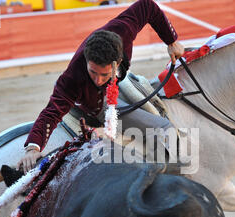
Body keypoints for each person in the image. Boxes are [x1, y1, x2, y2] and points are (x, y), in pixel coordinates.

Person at [17, 0, 184, 173]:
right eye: (93, 72)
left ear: (118, 62)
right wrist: (32, 148)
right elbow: (51, 111)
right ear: (87, 61)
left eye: (104, 74)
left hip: (120, 84)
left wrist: (171, 41)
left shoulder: (122, 30)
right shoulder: (73, 77)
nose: (98, 80)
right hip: (96, 103)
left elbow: (147, 6)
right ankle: (171, 182)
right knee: (165, 128)